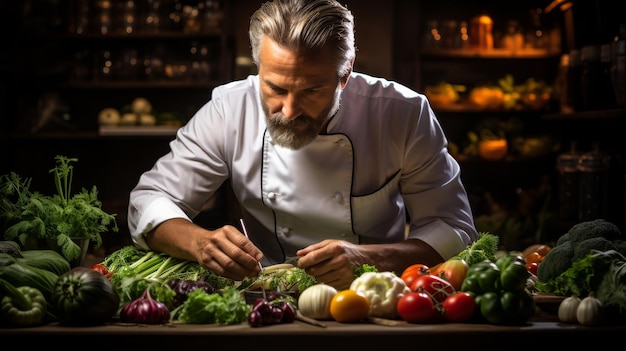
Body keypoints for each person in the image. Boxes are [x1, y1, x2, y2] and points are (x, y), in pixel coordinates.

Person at [128, 0, 478, 290]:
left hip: (374, 296)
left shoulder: (402, 113)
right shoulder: (228, 108)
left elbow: (454, 227)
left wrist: (370, 257)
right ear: (258, 66)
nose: (289, 110)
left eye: (311, 91)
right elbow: (149, 202)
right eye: (275, 88)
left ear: (345, 75)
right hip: (263, 293)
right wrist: (199, 243)